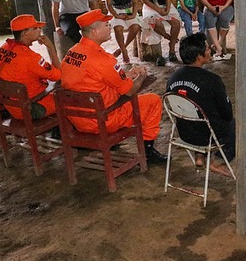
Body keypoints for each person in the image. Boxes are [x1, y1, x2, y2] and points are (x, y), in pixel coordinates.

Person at [60, 9, 167, 164]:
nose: (110, 27)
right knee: (153, 100)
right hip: (102, 120)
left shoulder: (71, 52)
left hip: (78, 118)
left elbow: (99, 77)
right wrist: (141, 76)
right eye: (106, 25)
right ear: (95, 31)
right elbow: (129, 90)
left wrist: (128, 74)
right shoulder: (102, 60)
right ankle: (148, 151)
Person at [166, 33, 235, 177]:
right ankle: (218, 161)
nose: (210, 50)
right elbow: (227, 113)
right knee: (234, 124)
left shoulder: (173, 78)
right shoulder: (212, 80)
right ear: (199, 56)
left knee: (195, 113)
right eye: (207, 48)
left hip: (185, 133)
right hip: (207, 136)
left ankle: (199, 157)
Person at [0, 14, 61, 119]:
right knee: (67, 96)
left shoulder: (3, 48)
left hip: (11, 107)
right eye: (35, 28)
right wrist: (51, 47)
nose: (39, 30)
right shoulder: (31, 58)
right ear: (25, 33)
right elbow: (58, 75)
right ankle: (62, 131)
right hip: (31, 108)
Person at [104, 0, 142, 64]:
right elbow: (109, 4)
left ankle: (122, 48)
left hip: (129, 9)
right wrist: (116, 15)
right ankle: (125, 52)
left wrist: (134, 14)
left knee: (136, 27)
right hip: (115, 10)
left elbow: (135, 1)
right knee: (118, 28)